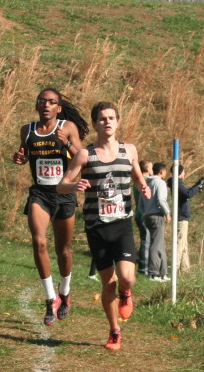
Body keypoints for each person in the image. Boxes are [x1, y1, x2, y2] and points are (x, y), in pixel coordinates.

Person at [58, 101, 151, 351]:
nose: (107, 122)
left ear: (117, 122)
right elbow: (62, 183)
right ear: (96, 124)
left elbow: (136, 174)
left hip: (121, 224)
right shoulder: (85, 155)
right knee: (107, 282)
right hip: (96, 226)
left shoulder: (129, 150)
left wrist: (143, 185)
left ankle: (127, 293)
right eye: (102, 118)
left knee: (127, 277)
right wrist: (74, 186)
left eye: (111, 118)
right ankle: (114, 330)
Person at [13, 88, 88, 326]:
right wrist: (20, 158)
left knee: (63, 249)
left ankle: (65, 293)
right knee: (39, 242)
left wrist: (67, 146)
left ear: (59, 108)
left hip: (64, 194)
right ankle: (50, 299)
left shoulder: (68, 128)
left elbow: (83, 157)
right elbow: (25, 155)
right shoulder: (28, 130)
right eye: (42, 101)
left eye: (51, 102)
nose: (46, 105)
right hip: (41, 194)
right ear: (37, 105)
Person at [167, 165, 204, 272]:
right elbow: (188, 194)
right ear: (179, 172)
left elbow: (187, 192)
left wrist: (198, 184)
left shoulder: (176, 183)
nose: (184, 174)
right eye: (183, 172)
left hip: (182, 216)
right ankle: (175, 267)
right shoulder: (176, 183)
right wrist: (198, 186)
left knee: (184, 243)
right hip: (181, 217)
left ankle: (185, 269)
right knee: (180, 242)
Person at [140, 162, 171, 282]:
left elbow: (140, 204)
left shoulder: (146, 183)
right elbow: (161, 199)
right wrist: (167, 213)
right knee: (156, 244)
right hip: (157, 216)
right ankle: (153, 273)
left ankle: (163, 273)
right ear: (162, 171)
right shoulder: (160, 183)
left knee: (160, 244)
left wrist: (145, 213)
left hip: (147, 215)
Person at [134, 160, 152, 275]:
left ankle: (143, 265)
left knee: (145, 240)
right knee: (146, 241)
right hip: (144, 214)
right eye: (150, 167)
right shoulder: (146, 182)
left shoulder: (136, 182)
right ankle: (143, 268)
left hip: (138, 213)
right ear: (147, 169)